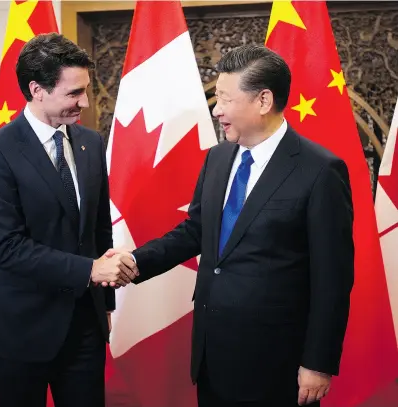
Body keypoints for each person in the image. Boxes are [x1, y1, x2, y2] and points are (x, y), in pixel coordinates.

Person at [107, 45, 354, 406]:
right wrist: (134, 261)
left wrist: (318, 363)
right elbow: (195, 231)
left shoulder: (320, 170)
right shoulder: (218, 158)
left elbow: (333, 278)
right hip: (212, 352)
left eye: (224, 98)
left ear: (264, 100)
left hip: (276, 361)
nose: (216, 109)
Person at [0, 33, 138, 407]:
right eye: (74, 93)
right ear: (37, 90)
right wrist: (90, 272)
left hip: (84, 327)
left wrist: (105, 304)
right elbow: (7, 249)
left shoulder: (90, 143)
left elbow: (98, 230)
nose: (86, 103)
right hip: (19, 329)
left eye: (86, 90)